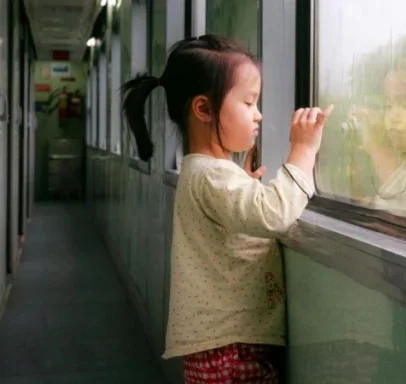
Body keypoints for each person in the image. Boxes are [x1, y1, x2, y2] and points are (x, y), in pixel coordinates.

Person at [120, 34, 334, 383]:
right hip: (231, 349)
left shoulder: (206, 171)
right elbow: (274, 213)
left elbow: (234, 213)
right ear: (203, 109)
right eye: (249, 103)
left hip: (223, 344)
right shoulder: (212, 175)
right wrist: (304, 152)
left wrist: (244, 182)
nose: (259, 115)